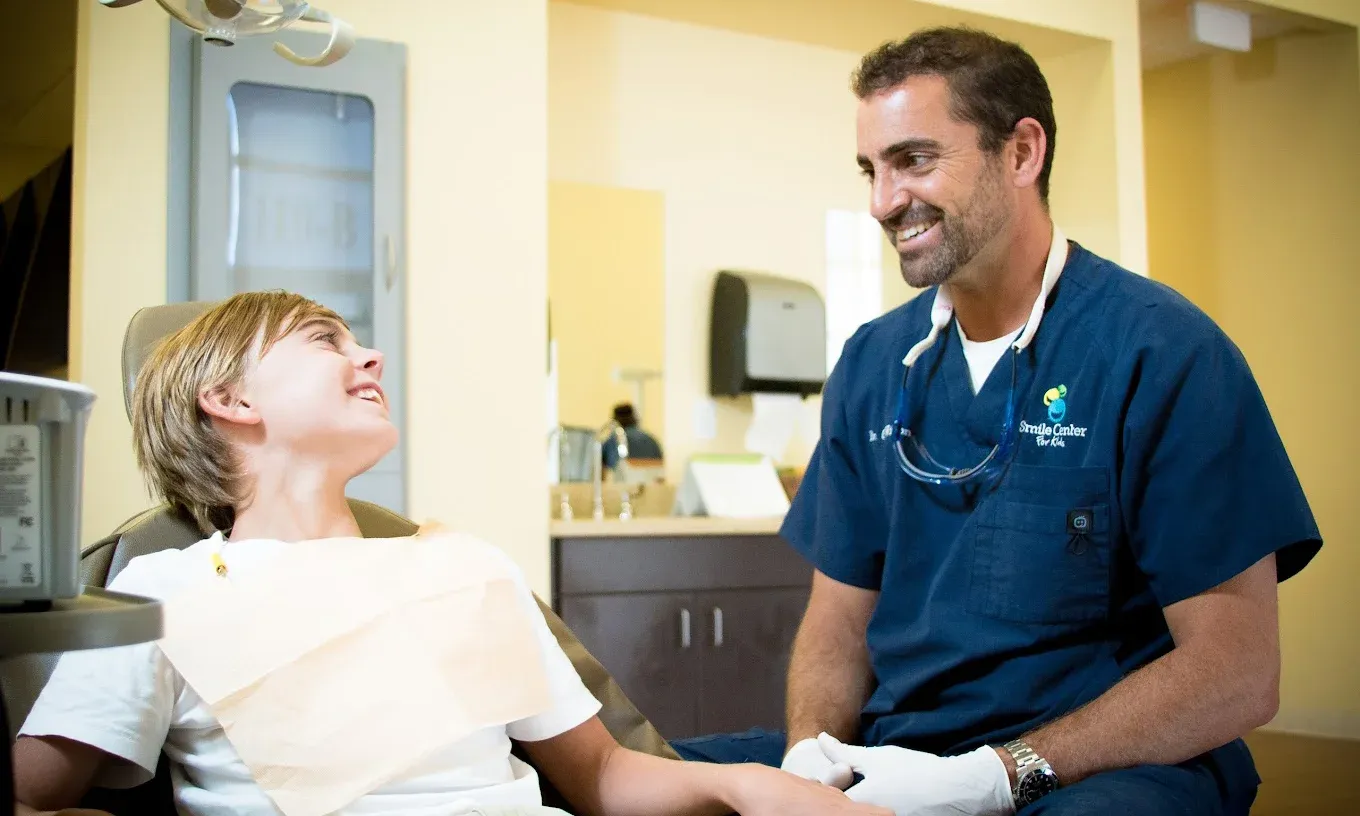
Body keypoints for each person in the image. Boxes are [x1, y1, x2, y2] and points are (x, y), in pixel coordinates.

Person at [671, 26, 1321, 816]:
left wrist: (998, 777)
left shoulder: (1164, 353)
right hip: (897, 752)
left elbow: (1238, 670)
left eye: (914, 160)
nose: (882, 201)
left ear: (1021, 153)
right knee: (641, 780)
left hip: (1095, 768)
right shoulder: (874, 364)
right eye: (871, 170)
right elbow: (838, 622)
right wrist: (811, 756)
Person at [12, 291, 891, 816]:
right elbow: (34, 794)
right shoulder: (160, 594)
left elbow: (602, 776)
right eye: (325, 340)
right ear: (230, 399)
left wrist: (745, 788)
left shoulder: (462, 566)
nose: (370, 355)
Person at [600, 403, 663, 471]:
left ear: (615, 420)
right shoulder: (650, 439)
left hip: (622, 477)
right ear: (634, 418)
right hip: (650, 477)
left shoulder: (615, 439)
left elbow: (601, 464)